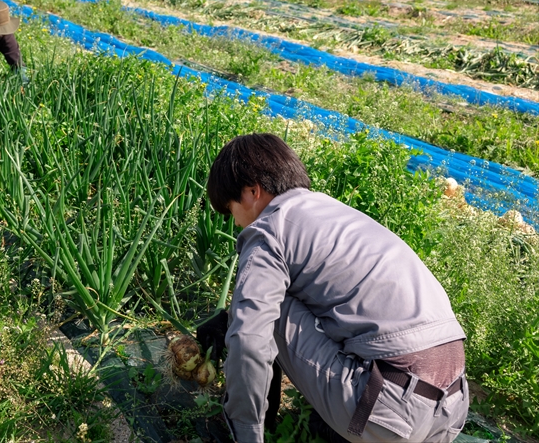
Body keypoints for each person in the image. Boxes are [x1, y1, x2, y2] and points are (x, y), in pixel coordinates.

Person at [197, 133, 468, 443]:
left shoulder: (269, 231)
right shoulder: (328, 211)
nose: (236, 224)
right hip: (451, 406)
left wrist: (245, 430)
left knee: (267, 311)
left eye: (231, 210)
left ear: (252, 191)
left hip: (392, 412)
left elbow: (249, 340)